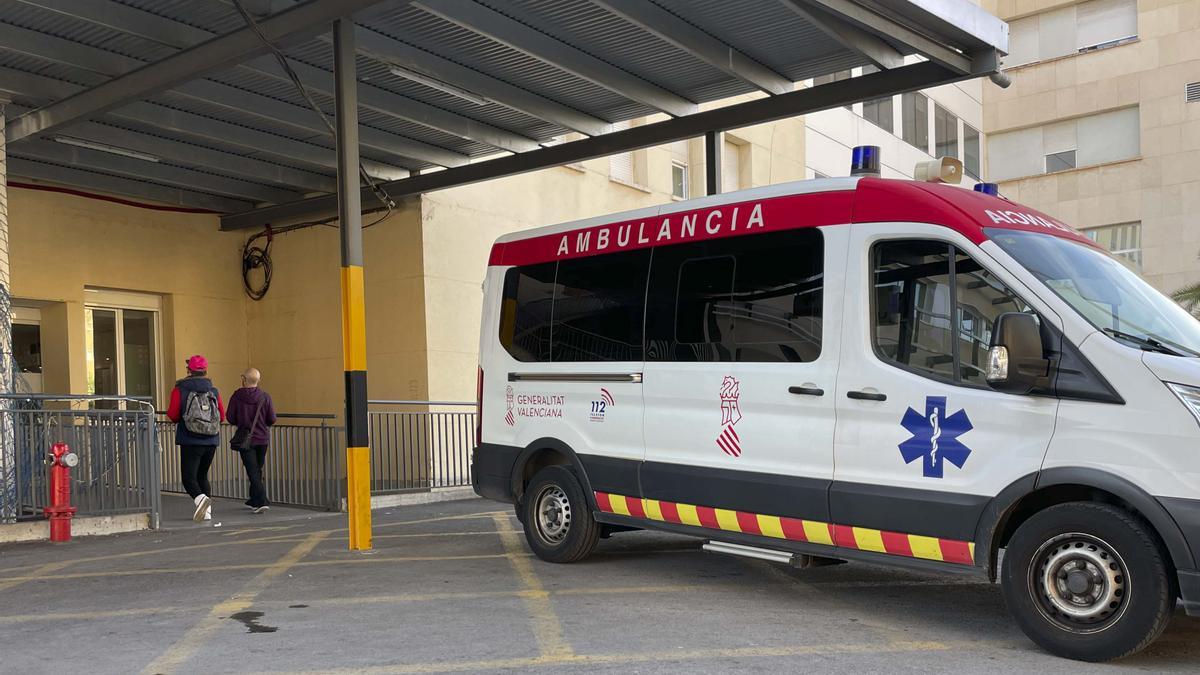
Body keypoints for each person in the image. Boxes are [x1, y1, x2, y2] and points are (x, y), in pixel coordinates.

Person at [167, 355, 225, 523]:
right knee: (202, 476)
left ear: (189, 371)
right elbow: (222, 415)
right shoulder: (213, 391)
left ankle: (201, 500)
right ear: (205, 371)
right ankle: (207, 514)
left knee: (188, 478)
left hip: (190, 440)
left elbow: (173, 414)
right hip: (211, 440)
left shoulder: (180, 389)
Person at [226, 368, 277, 514]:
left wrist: (241, 421)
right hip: (262, 439)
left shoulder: (236, 396)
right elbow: (272, 419)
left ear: (243, 379)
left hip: (245, 439)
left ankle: (261, 501)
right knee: (256, 470)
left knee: (252, 470)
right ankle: (255, 499)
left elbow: (230, 417)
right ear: (258, 380)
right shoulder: (265, 397)